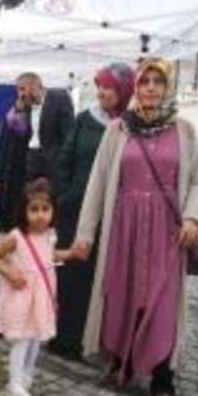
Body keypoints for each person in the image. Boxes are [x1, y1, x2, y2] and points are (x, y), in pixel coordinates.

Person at [71, 58, 198, 396]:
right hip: (124, 227)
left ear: (168, 87)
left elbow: (195, 181)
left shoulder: (184, 130)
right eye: (145, 81)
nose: (151, 88)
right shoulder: (117, 130)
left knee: (163, 300)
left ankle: (163, 379)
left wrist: (192, 217)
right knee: (124, 292)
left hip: (167, 231)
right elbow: (98, 183)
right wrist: (85, 233)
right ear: (136, 87)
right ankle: (123, 363)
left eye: (158, 81)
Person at [48, 63, 136, 360]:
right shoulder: (85, 119)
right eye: (99, 86)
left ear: (124, 90)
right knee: (72, 275)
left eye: (109, 87)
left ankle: (102, 338)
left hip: (113, 215)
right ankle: (66, 338)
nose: (101, 93)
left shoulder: (132, 125)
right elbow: (65, 160)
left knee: (105, 277)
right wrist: (64, 197)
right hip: (75, 212)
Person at [0, 179, 74, 396]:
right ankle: (14, 384)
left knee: (36, 338)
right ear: (23, 211)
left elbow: (50, 255)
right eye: (34, 209)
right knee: (22, 339)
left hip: (42, 296)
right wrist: (9, 272)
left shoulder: (50, 235)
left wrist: (71, 253)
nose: (40, 215)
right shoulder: (16, 237)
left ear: (53, 210)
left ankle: (27, 374)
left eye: (45, 209)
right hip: (22, 296)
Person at [0, 73, 74, 230]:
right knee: (28, 193)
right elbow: (16, 131)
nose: (20, 93)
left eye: (22, 89)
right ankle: (28, 225)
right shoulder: (26, 104)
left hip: (53, 156)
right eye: (18, 90)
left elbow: (68, 132)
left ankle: (55, 226)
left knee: (54, 193)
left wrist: (64, 159)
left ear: (35, 86)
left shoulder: (58, 98)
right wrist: (18, 111)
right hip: (31, 155)